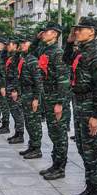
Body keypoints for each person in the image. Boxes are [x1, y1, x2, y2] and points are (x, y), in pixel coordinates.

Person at [64, 17, 97, 195]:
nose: (77, 32)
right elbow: (66, 59)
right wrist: (68, 41)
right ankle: (90, 187)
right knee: (84, 148)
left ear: (92, 31)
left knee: (93, 150)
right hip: (80, 103)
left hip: (91, 104)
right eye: (76, 29)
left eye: (80, 29)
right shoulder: (80, 52)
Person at [37, 23, 70, 180]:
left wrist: (60, 103)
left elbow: (63, 80)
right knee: (52, 132)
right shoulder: (45, 50)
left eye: (47, 31)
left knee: (60, 134)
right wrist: (36, 39)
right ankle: (55, 164)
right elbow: (30, 52)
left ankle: (61, 167)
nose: (44, 33)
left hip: (56, 98)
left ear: (56, 34)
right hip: (48, 97)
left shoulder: (58, 52)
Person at [18, 35, 43, 159]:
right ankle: (32, 146)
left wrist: (36, 98)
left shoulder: (33, 60)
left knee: (34, 123)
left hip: (32, 94)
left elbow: (38, 81)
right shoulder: (26, 58)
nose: (22, 45)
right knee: (29, 122)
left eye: (24, 43)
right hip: (25, 94)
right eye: (21, 43)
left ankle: (37, 148)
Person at [4, 37, 25, 144]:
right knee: (14, 112)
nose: (7, 46)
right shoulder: (11, 57)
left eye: (9, 44)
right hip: (9, 87)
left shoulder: (18, 58)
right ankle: (17, 133)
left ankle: (20, 134)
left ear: (16, 46)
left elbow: (17, 75)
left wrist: (15, 90)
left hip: (14, 89)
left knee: (18, 112)